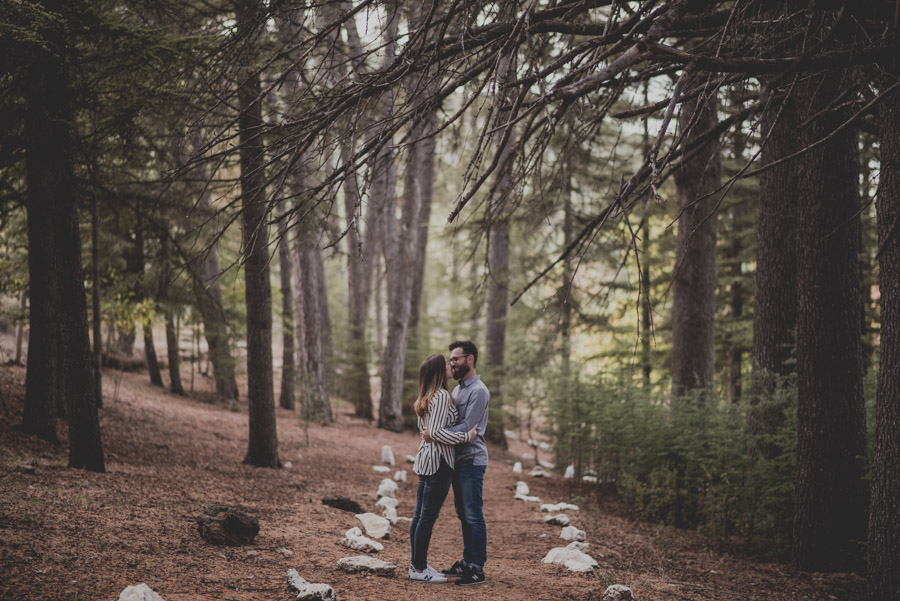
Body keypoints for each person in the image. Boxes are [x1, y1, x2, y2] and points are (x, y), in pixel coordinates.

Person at [422, 340, 490, 586]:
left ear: (470, 359)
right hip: (456, 459)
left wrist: (437, 433)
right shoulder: (459, 389)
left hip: (471, 460)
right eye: (451, 359)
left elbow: (466, 428)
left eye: (456, 359)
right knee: (463, 514)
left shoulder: (478, 390)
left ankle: (476, 568)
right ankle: (467, 560)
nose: (452, 363)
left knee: (473, 514)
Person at [409, 354, 478, 584]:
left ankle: (417, 564)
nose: (451, 365)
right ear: (440, 370)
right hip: (438, 463)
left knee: (420, 516)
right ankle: (419, 569)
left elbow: (427, 431)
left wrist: (431, 434)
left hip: (426, 460)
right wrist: (466, 435)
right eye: (447, 363)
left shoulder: (427, 396)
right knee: (426, 517)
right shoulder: (440, 397)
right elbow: (435, 433)